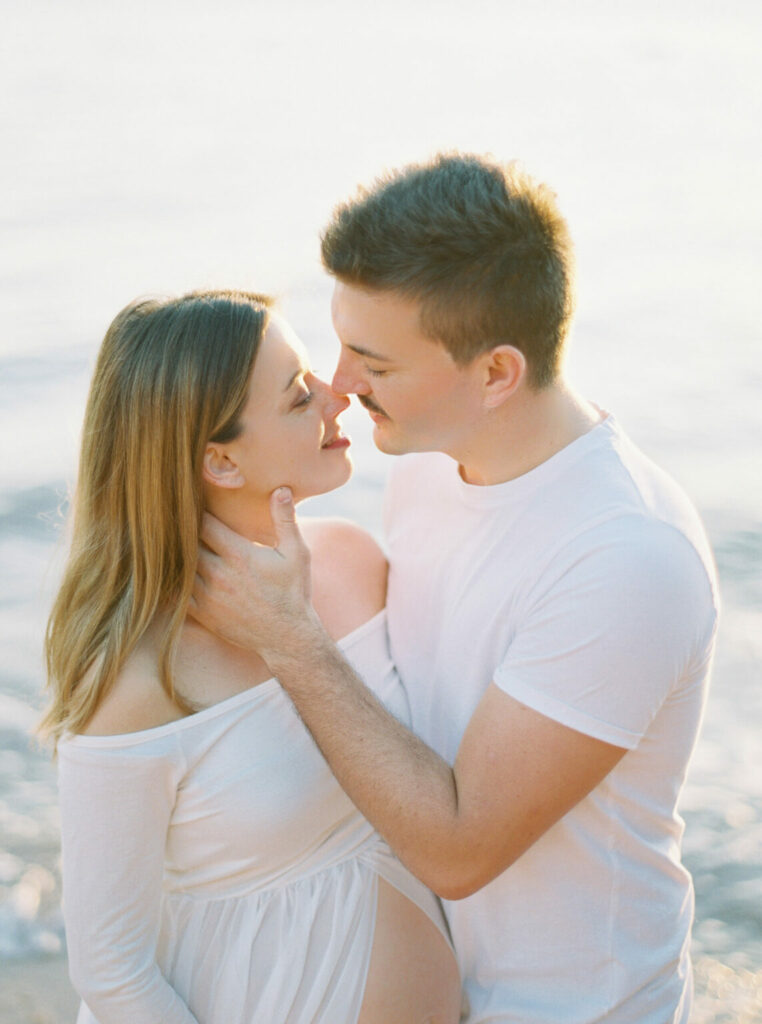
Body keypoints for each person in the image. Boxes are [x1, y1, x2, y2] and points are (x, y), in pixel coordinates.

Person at [191, 156, 720, 1023]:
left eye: (375, 363)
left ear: (497, 374)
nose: (340, 387)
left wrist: (290, 639)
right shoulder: (434, 465)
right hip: (424, 994)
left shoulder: (627, 558)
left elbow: (460, 848)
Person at [41, 290, 461, 1024]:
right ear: (221, 462)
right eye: (301, 395)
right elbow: (111, 972)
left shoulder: (354, 564)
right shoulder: (142, 681)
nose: (340, 395)